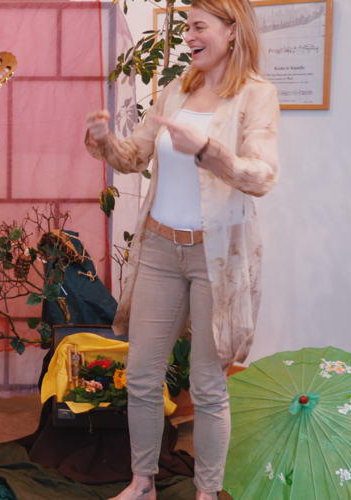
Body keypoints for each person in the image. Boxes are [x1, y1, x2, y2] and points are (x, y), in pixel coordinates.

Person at [84, 0, 280, 498]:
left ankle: (206, 492)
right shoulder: (176, 90)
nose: (188, 36)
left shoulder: (257, 95)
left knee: (210, 387)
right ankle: (143, 482)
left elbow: (262, 175)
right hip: (160, 251)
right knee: (143, 376)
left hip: (215, 260)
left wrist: (209, 151)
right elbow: (133, 157)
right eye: (185, 27)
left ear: (232, 31)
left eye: (199, 27)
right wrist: (104, 140)